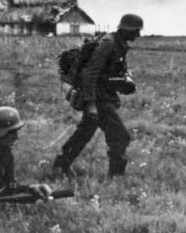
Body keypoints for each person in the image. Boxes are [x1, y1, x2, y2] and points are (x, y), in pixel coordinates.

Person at [52, 14, 144, 179]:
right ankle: (116, 178)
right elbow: (90, 74)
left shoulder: (120, 44)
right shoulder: (108, 43)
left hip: (104, 95)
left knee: (85, 132)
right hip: (98, 98)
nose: (139, 35)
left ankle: (60, 167)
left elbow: (111, 73)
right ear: (127, 29)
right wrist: (91, 104)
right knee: (119, 136)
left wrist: (124, 84)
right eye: (137, 31)